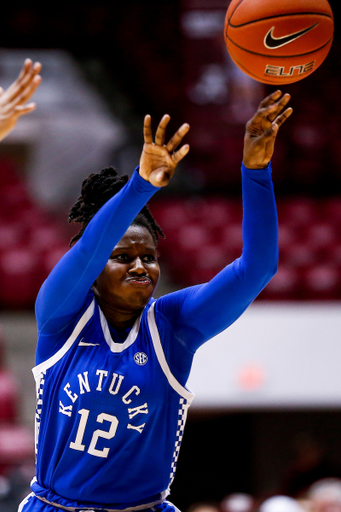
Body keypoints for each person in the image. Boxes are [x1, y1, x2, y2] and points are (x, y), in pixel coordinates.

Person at [0, 58, 292, 512]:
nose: (141, 265)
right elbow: (85, 252)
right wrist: (141, 184)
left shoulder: (174, 325)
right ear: (97, 271)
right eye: (122, 257)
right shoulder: (60, 319)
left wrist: (256, 170)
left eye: (149, 257)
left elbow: (256, 268)